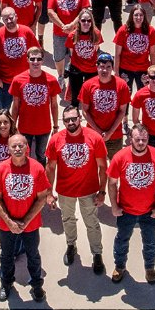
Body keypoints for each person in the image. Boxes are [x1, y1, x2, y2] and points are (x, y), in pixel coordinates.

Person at [0, 134, 52, 302]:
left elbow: (42, 197)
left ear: (27, 148)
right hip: (6, 224)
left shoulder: (37, 168)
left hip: (30, 225)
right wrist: (9, 221)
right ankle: (6, 283)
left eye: (20, 146)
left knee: (33, 255)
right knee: (6, 256)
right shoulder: (1, 169)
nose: (17, 149)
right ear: (8, 149)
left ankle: (37, 285)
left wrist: (25, 221)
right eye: (13, 146)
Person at [47, 106, 109, 275]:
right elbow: (50, 168)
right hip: (65, 191)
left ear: (80, 118)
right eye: (66, 120)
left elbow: (103, 167)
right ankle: (71, 245)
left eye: (73, 118)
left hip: (89, 191)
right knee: (68, 219)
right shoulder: (56, 140)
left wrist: (102, 192)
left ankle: (97, 254)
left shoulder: (94, 138)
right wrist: (49, 192)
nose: (70, 122)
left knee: (92, 224)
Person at [107, 124, 155, 285]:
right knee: (122, 240)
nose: (141, 143)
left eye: (144, 139)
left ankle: (150, 268)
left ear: (148, 139)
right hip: (125, 210)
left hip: (149, 211)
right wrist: (114, 206)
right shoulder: (120, 157)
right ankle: (119, 266)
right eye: (137, 139)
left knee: (150, 241)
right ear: (130, 140)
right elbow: (112, 183)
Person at [9, 47, 60, 163]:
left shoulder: (51, 80)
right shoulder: (18, 80)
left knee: (41, 155)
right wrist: (13, 125)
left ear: (42, 60)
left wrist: (56, 126)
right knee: (23, 156)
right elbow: (15, 106)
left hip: (44, 127)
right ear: (27, 60)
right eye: (32, 59)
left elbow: (54, 105)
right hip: (24, 127)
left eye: (38, 59)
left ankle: (40, 178)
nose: (35, 62)